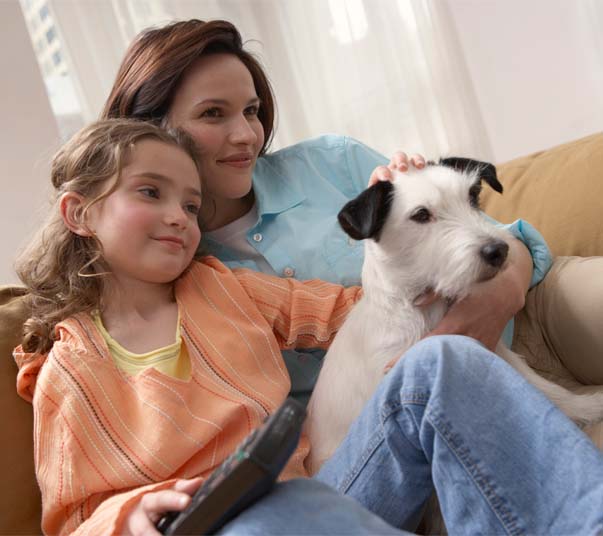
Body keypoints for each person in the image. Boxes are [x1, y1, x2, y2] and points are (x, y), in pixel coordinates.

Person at [14, 119, 603, 536]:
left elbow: (362, 308)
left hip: (328, 489)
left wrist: (417, 237)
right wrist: (130, 515)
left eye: (192, 206)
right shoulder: (68, 372)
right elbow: (71, 520)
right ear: (79, 213)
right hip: (218, 528)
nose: (177, 215)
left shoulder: (224, 287)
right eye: (151, 193)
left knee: (437, 359)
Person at [100, 19, 571, 407]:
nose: (246, 133)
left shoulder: (335, 163)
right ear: (150, 131)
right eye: (213, 114)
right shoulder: (171, 267)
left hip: (508, 355)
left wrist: (499, 296)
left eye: (251, 110)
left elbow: (502, 242)